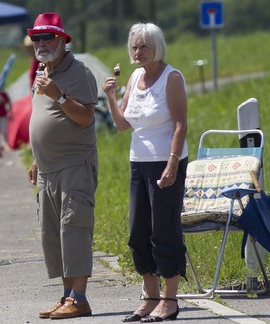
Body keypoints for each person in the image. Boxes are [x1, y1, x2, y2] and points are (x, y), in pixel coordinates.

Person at [102, 22, 188, 323]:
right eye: (134, 47)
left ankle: (170, 299)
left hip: (166, 160)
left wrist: (173, 164)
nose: (137, 52)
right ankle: (150, 297)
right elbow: (124, 124)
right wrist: (111, 97)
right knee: (138, 231)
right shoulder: (136, 76)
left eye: (143, 47)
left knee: (163, 230)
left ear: (157, 47)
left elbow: (180, 125)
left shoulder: (172, 77)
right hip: (138, 162)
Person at [25, 12, 98, 320]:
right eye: (36, 38)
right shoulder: (42, 71)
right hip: (49, 168)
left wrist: (60, 95)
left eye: (47, 37)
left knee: (74, 229)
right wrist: (36, 158)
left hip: (73, 164)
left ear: (62, 40)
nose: (40, 44)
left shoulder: (78, 72)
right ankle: (67, 296)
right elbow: (42, 120)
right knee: (53, 234)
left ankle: (79, 298)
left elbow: (85, 118)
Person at [0, 84, 12, 151]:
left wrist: (10, 112)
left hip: (3, 115)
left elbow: (8, 102)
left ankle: (6, 144)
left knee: (4, 130)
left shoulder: (3, 93)